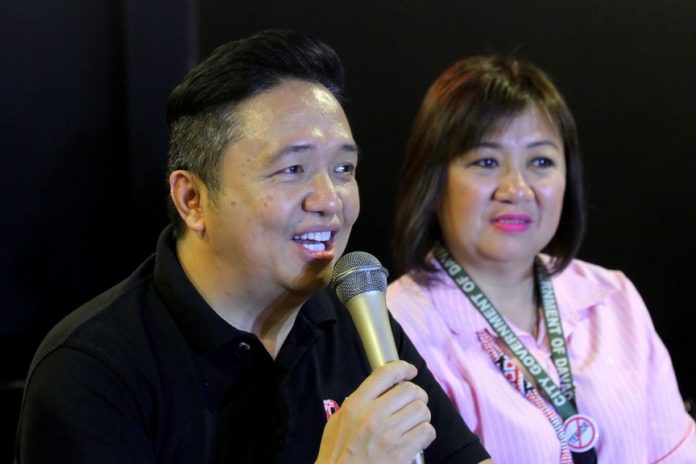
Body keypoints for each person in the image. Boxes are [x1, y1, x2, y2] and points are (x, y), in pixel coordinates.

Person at [13, 31, 491, 464]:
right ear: (192, 199)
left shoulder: (359, 324)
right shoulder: (93, 369)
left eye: (344, 170)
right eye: (292, 170)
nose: (329, 200)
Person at [386, 55, 696, 463]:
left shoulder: (613, 297)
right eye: (486, 161)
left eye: (541, 162)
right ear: (434, 178)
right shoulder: (397, 326)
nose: (517, 188)